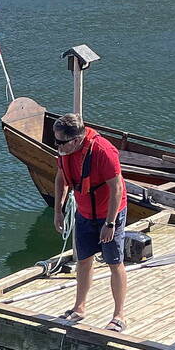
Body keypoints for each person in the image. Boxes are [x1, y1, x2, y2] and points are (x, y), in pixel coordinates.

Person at [52, 113, 127, 330]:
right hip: (84, 212)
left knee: (115, 262)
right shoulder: (65, 152)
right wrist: (58, 210)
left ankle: (119, 315)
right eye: (55, 141)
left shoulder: (103, 151)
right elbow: (61, 178)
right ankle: (79, 307)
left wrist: (110, 223)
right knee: (83, 259)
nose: (57, 145)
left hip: (109, 212)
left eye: (61, 142)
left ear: (76, 140)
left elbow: (117, 188)